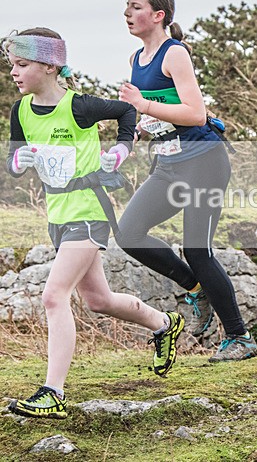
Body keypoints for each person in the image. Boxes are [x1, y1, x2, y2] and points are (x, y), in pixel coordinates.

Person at [3, 28, 184, 419]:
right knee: (98, 301)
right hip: (57, 217)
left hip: (89, 212)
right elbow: (12, 160)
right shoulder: (20, 111)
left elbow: (126, 112)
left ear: (50, 66)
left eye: (22, 65)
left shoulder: (79, 106)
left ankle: (53, 393)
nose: (14, 73)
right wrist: (20, 162)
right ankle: (163, 323)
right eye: (12, 66)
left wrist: (121, 149)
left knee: (54, 295)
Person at [116, 0, 257, 361]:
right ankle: (194, 287)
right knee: (128, 233)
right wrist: (135, 130)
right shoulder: (136, 58)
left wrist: (143, 103)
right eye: (126, 7)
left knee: (197, 247)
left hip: (203, 161)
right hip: (168, 163)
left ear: (158, 15)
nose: (127, 13)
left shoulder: (173, 54)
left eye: (135, 7)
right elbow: (161, 114)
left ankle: (239, 338)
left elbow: (195, 113)